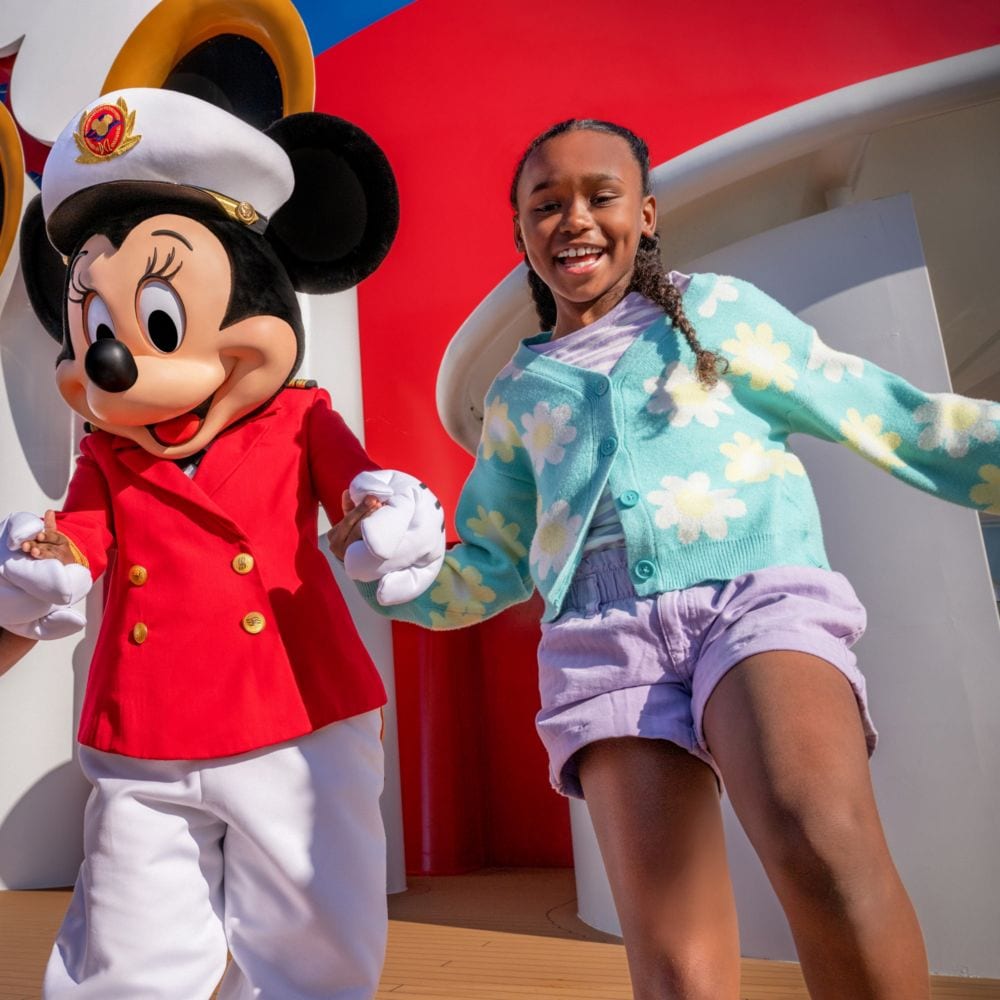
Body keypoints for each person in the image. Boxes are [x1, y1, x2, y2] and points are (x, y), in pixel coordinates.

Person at [343, 119, 1000, 999]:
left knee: (818, 840)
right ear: (522, 233)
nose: (573, 219)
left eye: (600, 196)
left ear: (645, 214)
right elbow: (495, 561)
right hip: (602, 642)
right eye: (547, 204)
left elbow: (886, 411)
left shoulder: (718, 313)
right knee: (677, 969)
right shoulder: (515, 395)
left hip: (756, 595)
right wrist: (403, 583)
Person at [1, 87, 441, 1000]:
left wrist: (389, 522)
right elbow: (75, 540)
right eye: (100, 327)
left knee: (313, 943)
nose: (119, 363)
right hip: (147, 737)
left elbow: (361, 494)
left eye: (157, 321)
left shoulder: (302, 418)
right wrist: (39, 567)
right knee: (127, 951)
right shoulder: (107, 456)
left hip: (298, 721)